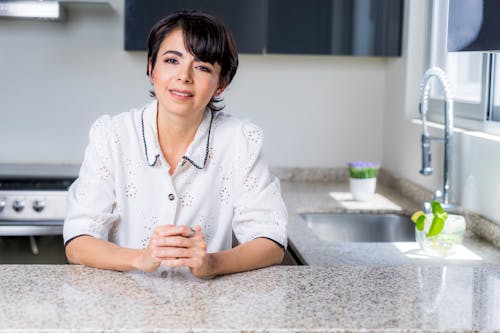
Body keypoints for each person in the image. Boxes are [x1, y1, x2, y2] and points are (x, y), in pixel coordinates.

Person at [63, 10, 288, 278]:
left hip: (209, 309)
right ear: (151, 68)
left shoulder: (241, 140)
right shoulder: (112, 134)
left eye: (202, 67)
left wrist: (212, 264)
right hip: (123, 307)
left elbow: (271, 240)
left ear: (221, 84)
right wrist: (140, 258)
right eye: (172, 60)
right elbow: (78, 241)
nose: (184, 76)